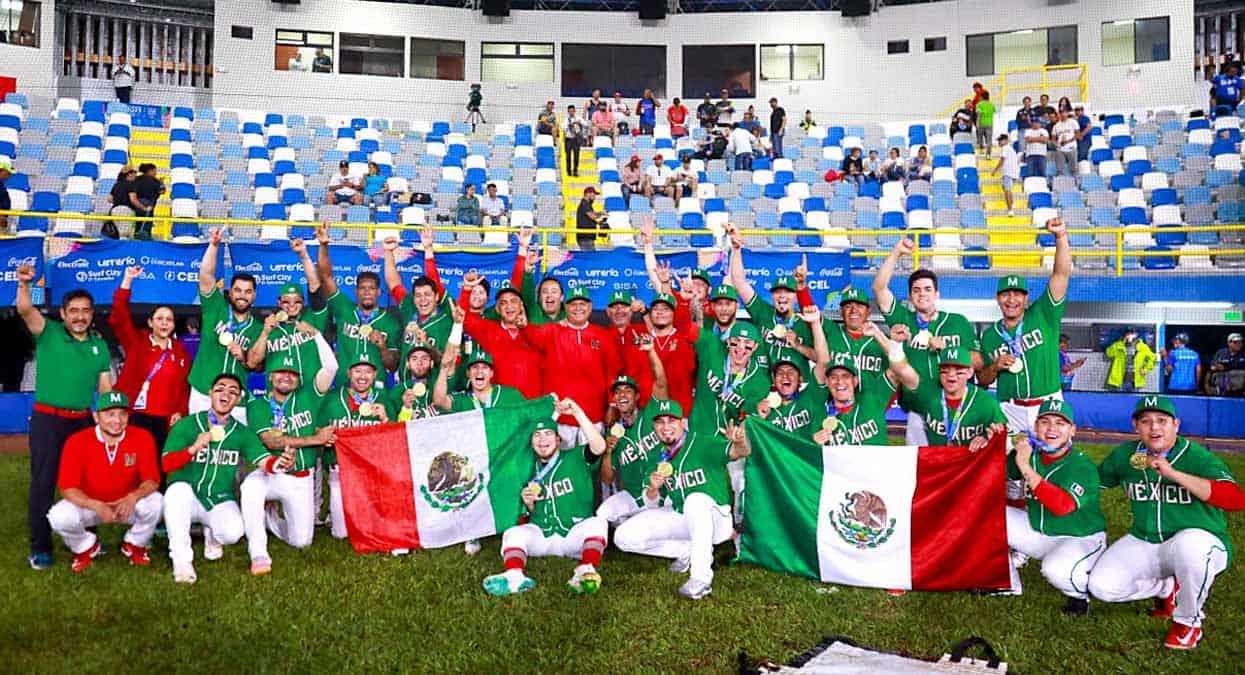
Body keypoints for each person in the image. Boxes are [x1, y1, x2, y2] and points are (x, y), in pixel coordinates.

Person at [1089, 396, 1245, 650]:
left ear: (1176, 425)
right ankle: (1165, 588)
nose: (1154, 428)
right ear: (1135, 426)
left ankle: (1188, 622)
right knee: (1102, 587)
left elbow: (1236, 499)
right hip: (1146, 539)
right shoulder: (1126, 456)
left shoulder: (1197, 457)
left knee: (1189, 545)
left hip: (1203, 543)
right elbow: (1093, 484)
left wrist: (1174, 474)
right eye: (1146, 421)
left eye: (1162, 421)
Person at [16, 264, 112, 570]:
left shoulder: (99, 345)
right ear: (63, 314)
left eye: (85, 311)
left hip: (83, 422)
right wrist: (23, 283)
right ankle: (41, 547)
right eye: (74, 311)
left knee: (87, 482)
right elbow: (24, 309)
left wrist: (109, 417)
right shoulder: (49, 332)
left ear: (92, 314)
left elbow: (105, 386)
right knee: (43, 483)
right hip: (48, 421)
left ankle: (88, 540)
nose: (80, 316)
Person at [613, 402, 750, 600]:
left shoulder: (702, 442)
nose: (666, 426)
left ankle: (701, 579)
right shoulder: (656, 456)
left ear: (682, 422)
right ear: (654, 427)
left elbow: (740, 452)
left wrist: (739, 442)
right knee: (623, 536)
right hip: (684, 517)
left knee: (695, 500)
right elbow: (651, 502)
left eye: (671, 420)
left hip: (716, 520)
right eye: (660, 422)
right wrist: (652, 488)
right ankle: (687, 551)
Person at [482, 399, 608, 596]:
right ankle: (514, 576)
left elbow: (599, 447)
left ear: (559, 440)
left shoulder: (575, 457)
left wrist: (577, 413)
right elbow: (528, 513)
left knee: (598, 523)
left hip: (574, 535)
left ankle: (585, 570)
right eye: (537, 436)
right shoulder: (528, 469)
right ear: (531, 443)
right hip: (544, 536)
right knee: (512, 534)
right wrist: (529, 504)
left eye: (548, 434)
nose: (543, 440)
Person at [241, 340, 338, 576]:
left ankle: (270, 516)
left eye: (292, 373)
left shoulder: (308, 395)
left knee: (301, 542)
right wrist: (314, 439)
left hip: (299, 477)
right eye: (280, 372)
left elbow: (331, 367)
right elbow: (270, 441)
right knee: (250, 487)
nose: (286, 377)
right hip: (270, 473)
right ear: (270, 376)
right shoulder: (257, 403)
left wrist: (315, 335)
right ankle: (258, 552)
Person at [161, 373, 268, 584]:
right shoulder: (188, 424)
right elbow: (166, 465)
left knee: (233, 532)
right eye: (220, 389)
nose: (225, 394)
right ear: (210, 393)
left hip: (218, 497)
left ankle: (212, 533)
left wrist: (281, 461)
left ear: (238, 400)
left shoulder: (241, 432)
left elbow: (263, 459)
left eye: (233, 392)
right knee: (175, 493)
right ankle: (182, 561)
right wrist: (193, 448)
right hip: (188, 496)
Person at [874, 237, 982, 445]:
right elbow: (879, 288)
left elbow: (977, 362)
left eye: (927, 289)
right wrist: (896, 252)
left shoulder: (957, 322)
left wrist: (948, 349)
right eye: (916, 290)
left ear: (937, 294)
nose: (922, 294)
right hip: (917, 412)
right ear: (910, 296)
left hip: (955, 411)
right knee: (919, 470)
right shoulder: (902, 319)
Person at [1004, 400, 1106, 615]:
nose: (1051, 429)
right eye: (1045, 422)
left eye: (1060, 423)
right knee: (986, 517)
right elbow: (999, 471)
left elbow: (1062, 506)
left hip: (1080, 537)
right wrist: (992, 439)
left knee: (1055, 570)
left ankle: (1080, 595)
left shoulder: (1081, 465)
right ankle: (1006, 583)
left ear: (1072, 430)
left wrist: (1024, 465)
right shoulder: (1030, 453)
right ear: (1035, 426)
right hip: (1038, 531)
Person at [47, 391, 162, 573]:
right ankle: (85, 547)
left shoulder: (142, 437)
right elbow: (68, 488)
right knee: (59, 516)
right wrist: (95, 505)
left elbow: (152, 480)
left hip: (126, 506)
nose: (117, 420)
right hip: (91, 505)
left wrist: (132, 497)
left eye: (122, 414)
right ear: (96, 416)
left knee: (157, 502)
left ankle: (134, 544)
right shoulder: (77, 441)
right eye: (110, 414)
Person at [978, 218, 1072, 437]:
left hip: (1048, 406)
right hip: (1010, 408)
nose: (1012, 300)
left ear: (1026, 299)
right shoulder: (990, 336)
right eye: (1006, 294)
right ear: (997, 299)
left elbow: (1061, 274)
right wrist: (994, 367)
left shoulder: (1043, 314)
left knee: (1050, 462)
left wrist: (1060, 237)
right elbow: (982, 380)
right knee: (1008, 465)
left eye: (1017, 294)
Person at [522, 286, 623, 447]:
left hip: (593, 415)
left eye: (582, 304)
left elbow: (612, 373)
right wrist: (522, 324)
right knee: (561, 465)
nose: (578, 308)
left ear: (590, 307)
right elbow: (530, 334)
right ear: (565, 307)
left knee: (591, 464)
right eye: (572, 304)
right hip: (560, 415)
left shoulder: (603, 335)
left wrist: (612, 405)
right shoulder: (552, 331)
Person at [109, 265, 191, 455]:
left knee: (160, 465)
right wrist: (127, 280)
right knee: (133, 462)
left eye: (168, 320)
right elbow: (119, 315)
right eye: (160, 319)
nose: (164, 323)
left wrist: (180, 411)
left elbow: (183, 387)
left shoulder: (179, 351)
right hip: (136, 415)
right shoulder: (137, 342)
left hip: (165, 419)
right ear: (150, 322)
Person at [320, 352, 395, 540]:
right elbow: (317, 428)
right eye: (358, 371)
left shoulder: (383, 398)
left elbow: (395, 440)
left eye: (368, 371)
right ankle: (338, 512)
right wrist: (323, 435)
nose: (363, 376)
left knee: (375, 527)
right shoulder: (332, 398)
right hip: (340, 471)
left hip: (372, 473)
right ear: (349, 373)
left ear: (375, 374)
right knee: (341, 533)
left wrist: (385, 419)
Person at [187, 228, 261, 422]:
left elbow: (259, 367)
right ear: (230, 293)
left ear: (254, 296)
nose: (242, 295)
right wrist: (214, 245)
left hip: (237, 399)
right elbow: (205, 276)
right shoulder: (216, 308)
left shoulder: (259, 329)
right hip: (203, 390)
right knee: (200, 444)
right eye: (237, 290)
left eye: (247, 291)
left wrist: (244, 357)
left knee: (233, 449)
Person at [597, 347, 670, 525]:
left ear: (637, 396)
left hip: (664, 490)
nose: (622, 395)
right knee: (603, 513)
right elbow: (608, 478)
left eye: (628, 390)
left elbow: (660, 382)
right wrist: (607, 452)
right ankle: (640, 521)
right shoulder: (612, 434)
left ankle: (648, 521)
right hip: (635, 495)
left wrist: (651, 351)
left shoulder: (652, 413)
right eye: (618, 392)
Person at [315, 224, 400, 375]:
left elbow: (393, 366)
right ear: (356, 291)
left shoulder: (390, 323)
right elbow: (326, 277)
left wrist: (382, 347)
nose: (367, 292)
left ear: (379, 292)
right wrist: (323, 245)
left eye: (371, 288)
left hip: (376, 389)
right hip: (345, 385)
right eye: (362, 288)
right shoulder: (344, 308)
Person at [1105, 328, 1157, 393]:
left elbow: (1153, 358)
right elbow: (1108, 353)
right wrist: (1120, 343)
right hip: (1119, 381)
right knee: (1119, 401)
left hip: (1135, 382)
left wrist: (1146, 369)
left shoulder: (1142, 347)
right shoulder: (1119, 345)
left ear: (1136, 335)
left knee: (1134, 401)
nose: (1129, 335)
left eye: (1132, 333)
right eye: (1128, 333)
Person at [127, 163, 163, 240]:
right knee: (147, 224)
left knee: (138, 223)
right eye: (154, 171)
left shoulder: (136, 179)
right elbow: (161, 191)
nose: (156, 173)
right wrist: (161, 183)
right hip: (149, 204)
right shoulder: (155, 180)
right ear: (150, 171)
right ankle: (146, 240)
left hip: (137, 204)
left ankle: (136, 238)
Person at [993, 134, 1021, 216]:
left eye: (1000, 140)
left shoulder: (1005, 148)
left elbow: (1002, 160)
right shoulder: (1011, 149)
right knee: (1006, 188)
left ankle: (1010, 209)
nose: (999, 142)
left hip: (1008, 173)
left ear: (1005, 140)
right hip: (1013, 172)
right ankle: (1012, 204)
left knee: (1007, 190)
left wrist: (995, 170)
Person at [574, 186, 607, 251]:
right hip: (585, 237)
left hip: (587, 237)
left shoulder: (587, 204)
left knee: (591, 256)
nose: (595, 197)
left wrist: (599, 223)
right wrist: (601, 213)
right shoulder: (584, 204)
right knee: (589, 256)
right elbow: (593, 216)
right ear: (588, 194)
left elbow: (590, 219)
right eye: (594, 194)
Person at [1051, 111, 1079, 177]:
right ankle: (1060, 183)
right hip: (1060, 150)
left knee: (1074, 170)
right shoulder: (1056, 125)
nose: (1063, 114)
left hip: (1071, 148)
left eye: (1064, 112)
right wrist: (1057, 144)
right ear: (1059, 114)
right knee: (1059, 170)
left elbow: (1078, 134)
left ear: (1067, 113)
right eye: (1061, 113)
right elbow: (1053, 138)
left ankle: (1076, 183)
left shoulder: (1073, 122)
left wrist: (1068, 141)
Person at [1022, 117, 1050, 184]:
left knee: (1043, 172)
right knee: (1030, 173)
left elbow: (1045, 140)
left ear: (1040, 123)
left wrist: (1033, 139)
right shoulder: (1028, 131)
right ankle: (1030, 187)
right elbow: (1028, 140)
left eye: (1037, 122)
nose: (1035, 124)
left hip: (1042, 155)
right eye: (1034, 122)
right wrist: (1040, 139)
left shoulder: (1044, 131)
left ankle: (1045, 186)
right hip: (1030, 155)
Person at [563, 105, 584, 177]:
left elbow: (585, 124)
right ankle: (568, 170)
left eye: (573, 111)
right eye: (570, 111)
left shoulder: (578, 118)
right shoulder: (566, 119)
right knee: (568, 156)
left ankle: (575, 170)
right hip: (568, 139)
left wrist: (578, 123)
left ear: (575, 111)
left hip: (576, 139)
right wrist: (569, 125)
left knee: (576, 156)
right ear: (568, 112)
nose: (571, 112)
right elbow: (563, 127)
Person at [975, 91, 996, 155]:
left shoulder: (979, 104)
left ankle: (981, 150)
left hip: (981, 123)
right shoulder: (991, 104)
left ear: (982, 97)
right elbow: (993, 112)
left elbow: (979, 114)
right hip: (990, 123)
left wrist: (977, 122)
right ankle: (988, 153)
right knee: (989, 139)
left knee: (980, 137)